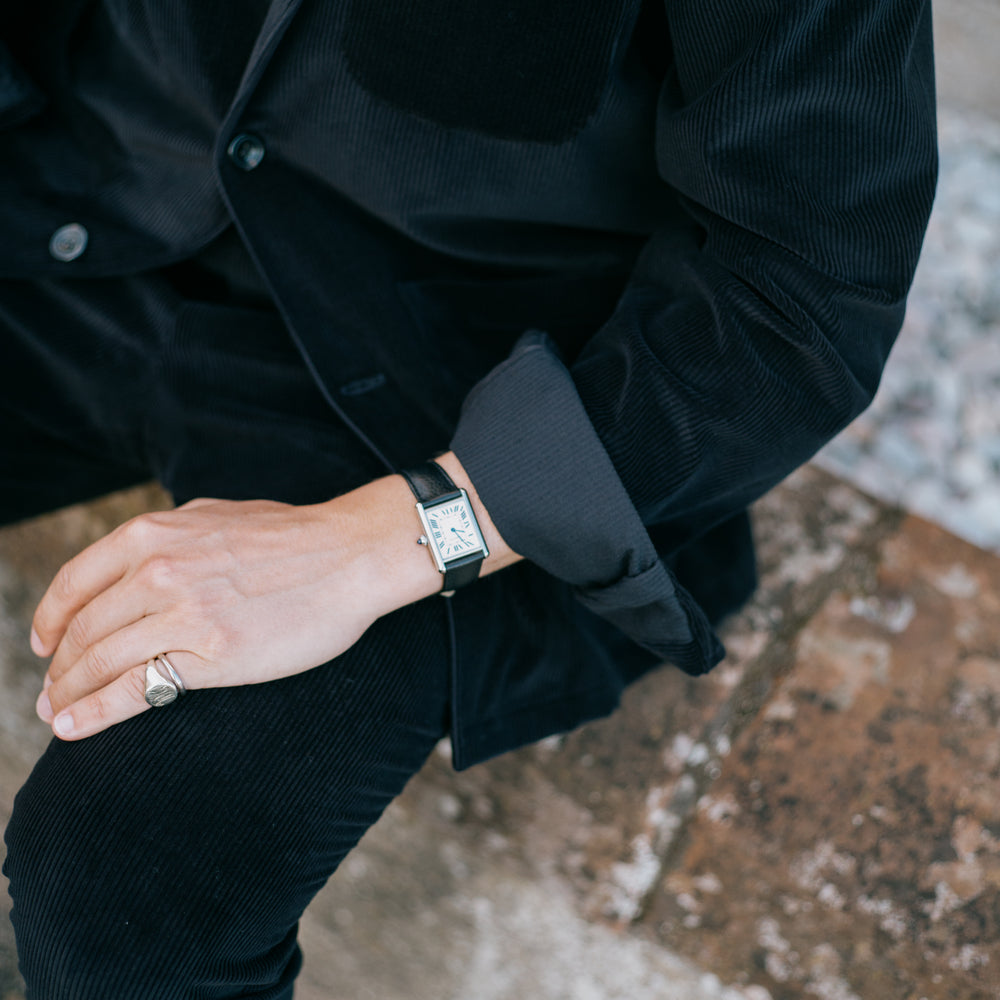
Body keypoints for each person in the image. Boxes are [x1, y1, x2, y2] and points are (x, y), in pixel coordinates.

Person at [1, 0, 937, 996]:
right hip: (71, 193)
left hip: (439, 392)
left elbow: (798, 292)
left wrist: (406, 531)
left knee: (128, 886)